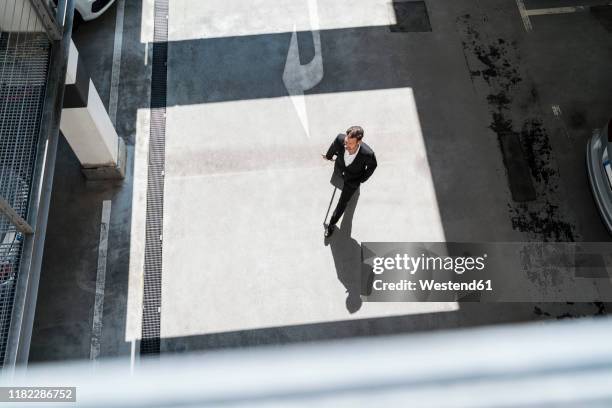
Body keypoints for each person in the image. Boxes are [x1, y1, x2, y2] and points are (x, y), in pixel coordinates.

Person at [321, 125, 377, 238]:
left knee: (342, 203)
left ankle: (331, 224)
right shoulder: (340, 139)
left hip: (353, 180)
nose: (346, 145)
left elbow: (372, 166)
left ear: (359, 142)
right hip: (340, 170)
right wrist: (328, 156)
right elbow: (333, 147)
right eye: (346, 142)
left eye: (350, 144)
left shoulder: (368, 154)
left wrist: (361, 179)